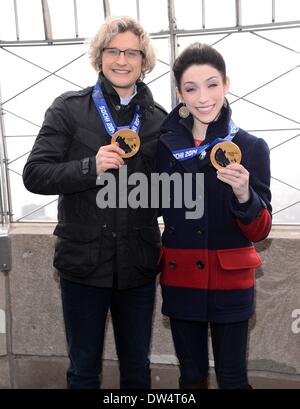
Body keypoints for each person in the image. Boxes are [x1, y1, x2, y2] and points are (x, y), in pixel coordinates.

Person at [23, 16, 167, 389]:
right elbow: (35, 174)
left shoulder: (159, 121)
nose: (122, 60)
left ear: (143, 60)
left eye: (131, 52)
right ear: (100, 56)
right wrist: (90, 167)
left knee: (137, 367)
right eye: (113, 51)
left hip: (137, 266)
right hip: (83, 266)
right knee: (84, 370)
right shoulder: (68, 109)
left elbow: (170, 195)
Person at [157, 43, 272, 389]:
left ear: (226, 84)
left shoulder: (251, 147)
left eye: (212, 85)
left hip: (230, 282)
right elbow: (149, 205)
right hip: (180, 279)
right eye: (191, 89)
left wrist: (243, 194)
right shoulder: (162, 148)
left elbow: (261, 229)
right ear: (179, 94)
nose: (203, 97)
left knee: (233, 378)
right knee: (191, 378)